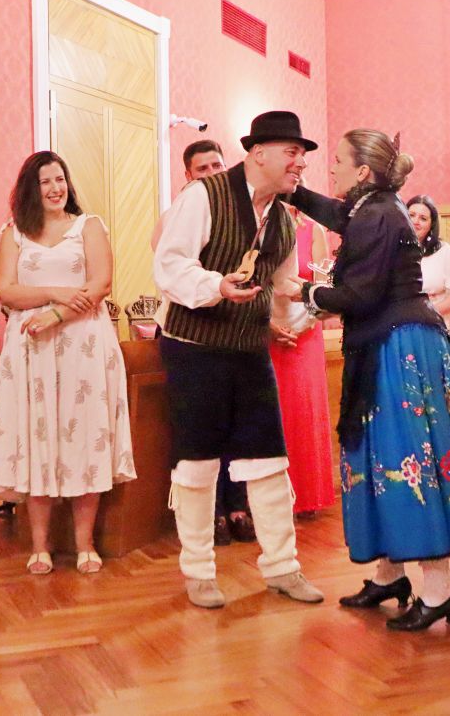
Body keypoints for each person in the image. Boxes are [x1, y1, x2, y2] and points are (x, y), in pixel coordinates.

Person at [287, 129, 450, 631]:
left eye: (338, 161)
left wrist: (302, 290)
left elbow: (360, 297)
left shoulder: (379, 214)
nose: (331, 168)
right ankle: (391, 573)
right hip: (392, 343)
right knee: (382, 455)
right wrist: (290, 190)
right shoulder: (373, 207)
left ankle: (438, 589)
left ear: (363, 171)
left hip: (400, 349)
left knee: (411, 459)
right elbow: (338, 215)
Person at [153, 110, 324, 608]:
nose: (300, 164)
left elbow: (282, 285)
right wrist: (216, 286)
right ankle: (199, 572)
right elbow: (169, 264)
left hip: (249, 348)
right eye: (293, 153)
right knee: (199, 461)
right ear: (260, 153)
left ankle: (282, 567)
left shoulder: (284, 221)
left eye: (303, 156)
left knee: (269, 457)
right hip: (194, 345)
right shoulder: (202, 196)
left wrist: (319, 298)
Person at [0, 151, 136, 575]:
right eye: (44, 182)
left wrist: (57, 314)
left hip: (82, 344)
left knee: (83, 435)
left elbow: (100, 283)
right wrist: (55, 293)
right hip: (30, 349)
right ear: (29, 191)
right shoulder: (13, 233)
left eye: (60, 179)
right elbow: (7, 291)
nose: (55, 189)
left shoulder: (88, 226)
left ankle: (84, 543)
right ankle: (39, 546)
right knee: (36, 436)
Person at [150, 140, 255, 546]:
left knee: (236, 425)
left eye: (217, 165)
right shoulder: (181, 213)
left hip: (233, 330)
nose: (212, 173)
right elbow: (169, 265)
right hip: (188, 328)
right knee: (198, 427)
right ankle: (205, 513)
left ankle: (237, 504)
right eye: (202, 169)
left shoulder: (246, 212)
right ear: (189, 177)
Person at [270, 204, 335, 515]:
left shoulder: (314, 231)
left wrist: (304, 322)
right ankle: (272, 498)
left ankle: (306, 495)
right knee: (274, 412)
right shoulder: (262, 232)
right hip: (269, 333)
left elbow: (325, 286)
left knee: (302, 408)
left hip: (305, 335)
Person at [407, 194, 450, 377]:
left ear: (431, 225)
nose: (416, 221)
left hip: (439, 327)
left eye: (423, 218)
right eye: (411, 215)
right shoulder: (393, 251)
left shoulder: (442, 251)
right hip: (405, 329)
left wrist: (430, 312)